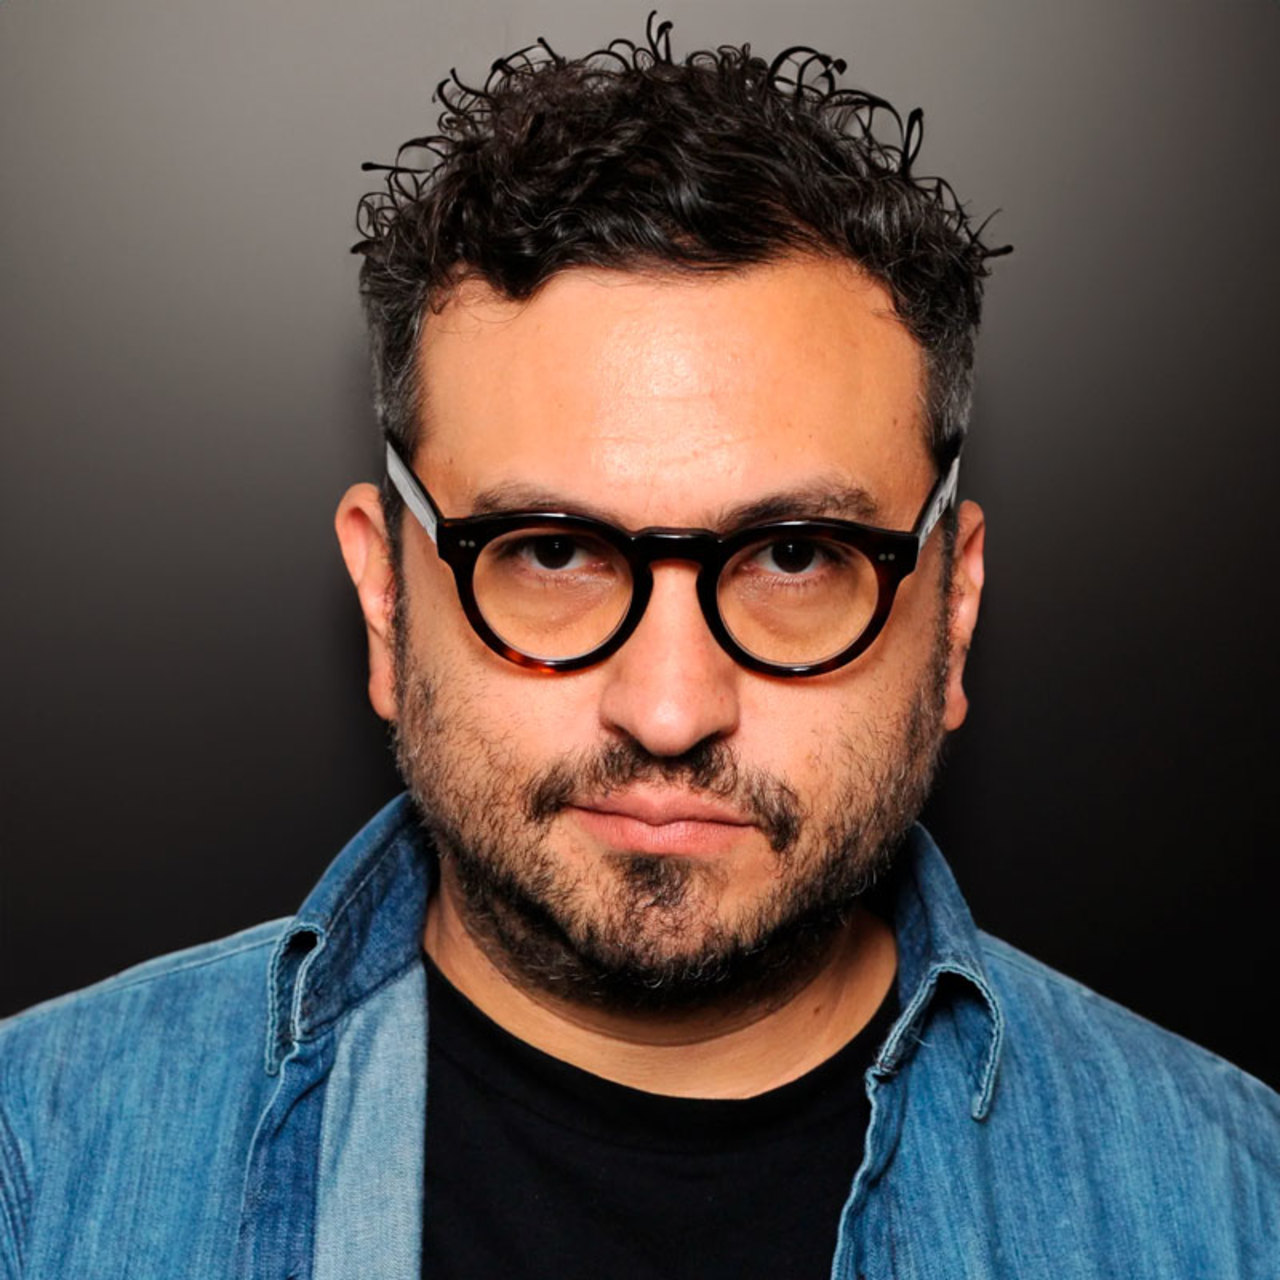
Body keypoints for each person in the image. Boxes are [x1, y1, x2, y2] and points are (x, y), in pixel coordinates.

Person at [1, 17, 1275, 1279]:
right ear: (385, 595)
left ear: (951, 610)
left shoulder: (1237, 1205)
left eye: (793, 557)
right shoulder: (37, 1168)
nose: (668, 708)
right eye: (552, 552)